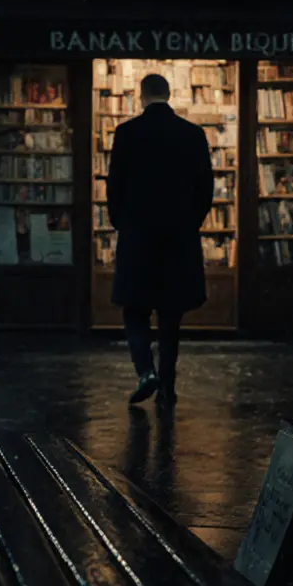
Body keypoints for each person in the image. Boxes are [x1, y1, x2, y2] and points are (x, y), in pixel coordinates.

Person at [106, 73, 214, 408]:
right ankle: (167, 385)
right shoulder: (193, 135)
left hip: (138, 238)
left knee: (134, 310)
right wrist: (189, 223)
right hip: (178, 240)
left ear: (141, 97)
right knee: (171, 316)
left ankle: (145, 371)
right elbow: (205, 190)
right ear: (169, 95)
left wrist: (121, 223)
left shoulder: (126, 133)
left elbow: (114, 187)